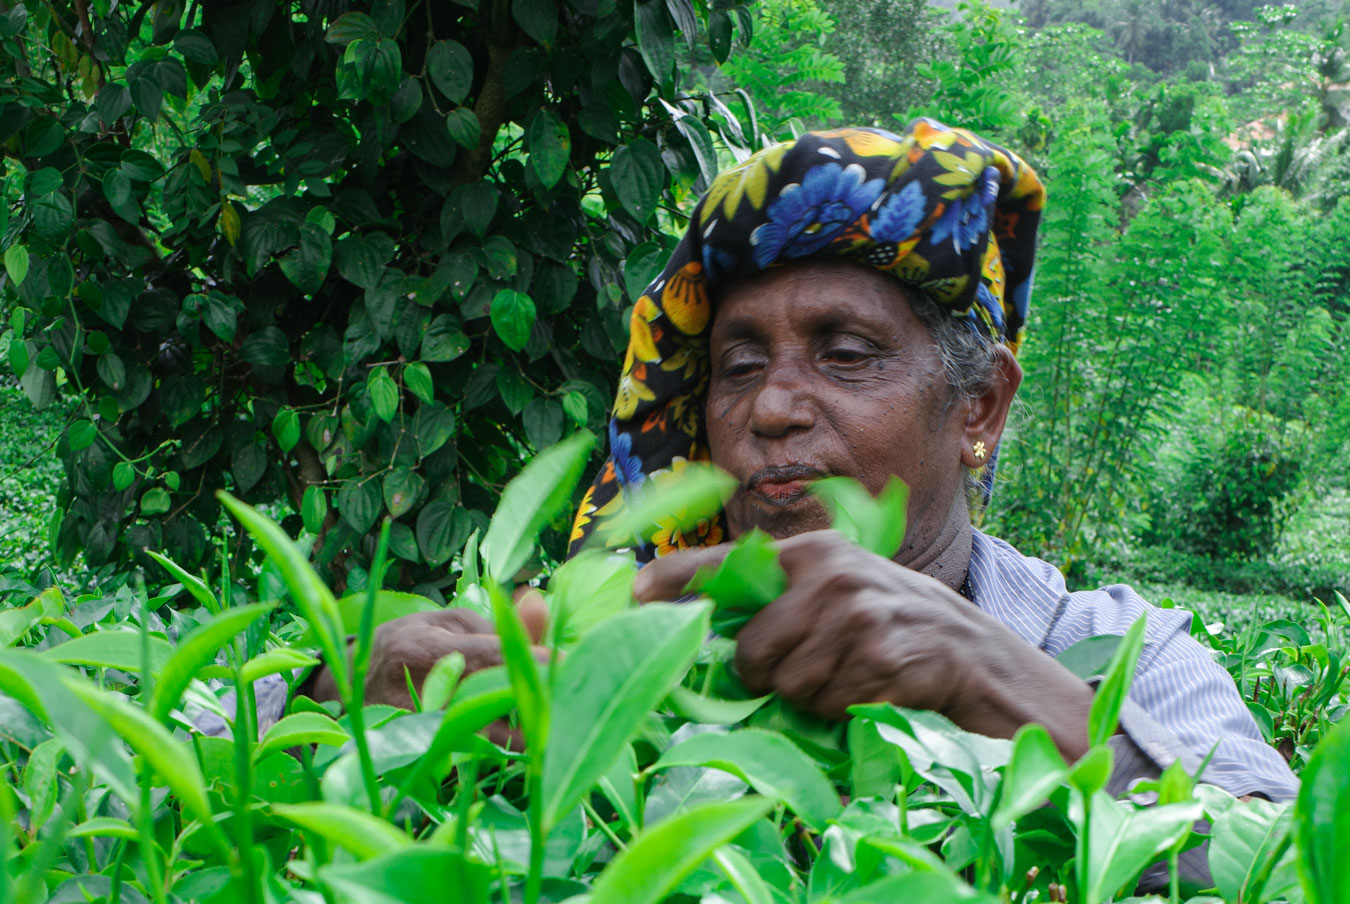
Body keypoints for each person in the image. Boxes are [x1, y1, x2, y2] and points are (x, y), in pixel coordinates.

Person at [310, 120, 1298, 803]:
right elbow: (235, 736)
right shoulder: (620, 631)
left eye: (847, 353)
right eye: (739, 364)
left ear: (979, 406)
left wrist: (995, 684)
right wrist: (352, 702)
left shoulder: (1119, 650)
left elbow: (1280, 860)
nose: (771, 408)